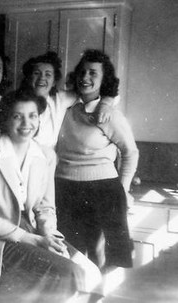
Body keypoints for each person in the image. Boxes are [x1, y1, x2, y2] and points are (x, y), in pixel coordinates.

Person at [0, 89, 103, 303]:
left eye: (32, 116)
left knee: (92, 274)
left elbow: (45, 208)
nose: (26, 123)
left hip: (33, 230)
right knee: (68, 273)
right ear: (4, 119)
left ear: (39, 119)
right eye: (17, 116)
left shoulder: (46, 155)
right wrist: (34, 240)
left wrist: (47, 235)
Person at [55, 49, 139, 275]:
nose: (85, 77)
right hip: (64, 188)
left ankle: (98, 296)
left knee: (105, 254)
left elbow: (130, 152)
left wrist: (122, 188)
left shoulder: (109, 115)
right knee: (72, 251)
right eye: (82, 72)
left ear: (104, 80)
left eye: (93, 73)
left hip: (103, 189)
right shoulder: (65, 108)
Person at [18, 51, 116, 148]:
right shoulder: (17, 102)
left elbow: (98, 93)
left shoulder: (60, 100)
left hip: (48, 161)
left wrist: (105, 104)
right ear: (29, 78)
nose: (41, 78)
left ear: (54, 82)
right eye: (36, 73)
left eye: (48, 74)